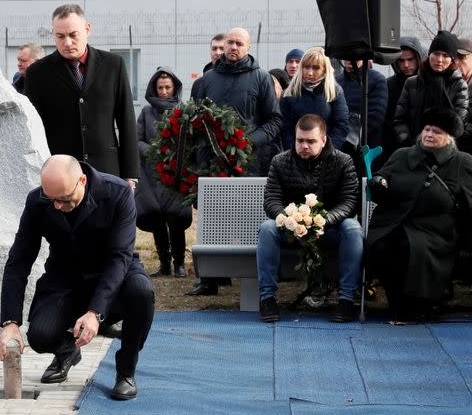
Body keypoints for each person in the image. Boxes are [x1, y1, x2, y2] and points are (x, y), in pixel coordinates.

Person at [0, 155, 154, 400]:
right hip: (65, 277)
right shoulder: (38, 201)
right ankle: (66, 351)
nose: (58, 206)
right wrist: (10, 323)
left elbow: (119, 258)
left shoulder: (118, 193)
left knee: (141, 292)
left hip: (114, 275)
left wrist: (95, 312)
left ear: (82, 180)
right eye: (53, 201)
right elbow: (18, 262)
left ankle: (126, 370)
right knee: (40, 336)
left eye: (64, 200)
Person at [188, 26, 282, 296]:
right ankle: (211, 280)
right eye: (230, 42)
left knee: (248, 218)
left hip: (246, 162)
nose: (233, 47)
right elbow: (194, 121)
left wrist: (250, 141)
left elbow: (274, 121)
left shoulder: (261, 79)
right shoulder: (206, 80)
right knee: (212, 218)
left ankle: (253, 275)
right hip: (211, 162)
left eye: (239, 43)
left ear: (248, 47)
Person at [367, 108, 472, 322]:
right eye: (426, 129)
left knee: (410, 248)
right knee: (380, 245)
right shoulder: (402, 155)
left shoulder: (462, 162)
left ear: (449, 138)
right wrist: (379, 183)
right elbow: (381, 179)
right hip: (393, 222)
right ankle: (397, 302)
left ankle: (421, 303)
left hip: (436, 231)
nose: (429, 135)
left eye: (436, 132)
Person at [257, 114, 361, 323]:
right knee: (267, 228)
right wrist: (291, 219)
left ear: (323, 140)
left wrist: (324, 220)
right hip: (291, 231)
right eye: (300, 140)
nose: (304, 146)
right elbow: (271, 201)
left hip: (329, 230)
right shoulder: (279, 162)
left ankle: (347, 300)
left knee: (352, 228)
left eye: (311, 141)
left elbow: (349, 202)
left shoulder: (343, 161)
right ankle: (267, 298)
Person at [24, 4, 139, 185]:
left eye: (73, 35)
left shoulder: (113, 65)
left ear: (87, 29)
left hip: (107, 171)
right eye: (60, 36)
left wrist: (131, 175)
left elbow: (126, 120)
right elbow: (31, 129)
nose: (67, 43)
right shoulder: (37, 73)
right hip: (60, 176)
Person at [135, 67, 191, 278]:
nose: (164, 91)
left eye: (168, 87)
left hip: (176, 174)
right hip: (152, 174)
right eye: (160, 87)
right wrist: (151, 151)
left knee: (175, 217)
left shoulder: (184, 111)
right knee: (157, 217)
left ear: (174, 87)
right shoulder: (146, 113)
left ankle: (179, 263)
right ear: (154, 88)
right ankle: (164, 263)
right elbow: (137, 140)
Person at [393, 31, 469, 149]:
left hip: (445, 152)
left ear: (452, 59)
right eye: (436, 53)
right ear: (429, 55)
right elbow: (400, 119)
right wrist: (407, 143)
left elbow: (458, 125)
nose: (439, 59)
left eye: (445, 55)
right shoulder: (412, 83)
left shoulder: (459, 85)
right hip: (412, 149)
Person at [280, 47, 349, 150]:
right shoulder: (289, 93)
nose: (310, 72)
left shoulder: (334, 91)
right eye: (306, 67)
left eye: (316, 68)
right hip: (296, 154)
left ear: (325, 69)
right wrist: (294, 152)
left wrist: (328, 152)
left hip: (327, 153)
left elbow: (341, 125)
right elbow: (285, 128)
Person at [383, 36, 425, 165]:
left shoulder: (430, 83)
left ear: (419, 59)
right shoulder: (388, 85)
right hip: (396, 149)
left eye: (410, 59)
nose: (406, 65)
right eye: (401, 61)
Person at [335, 59, 387, 152]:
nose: (350, 58)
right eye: (346, 55)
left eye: (356, 55)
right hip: (340, 146)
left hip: (367, 147)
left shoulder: (377, 79)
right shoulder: (336, 81)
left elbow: (376, 118)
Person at [190, 33, 226, 97]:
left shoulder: (237, 79)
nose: (218, 53)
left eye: (222, 49)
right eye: (214, 49)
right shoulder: (199, 83)